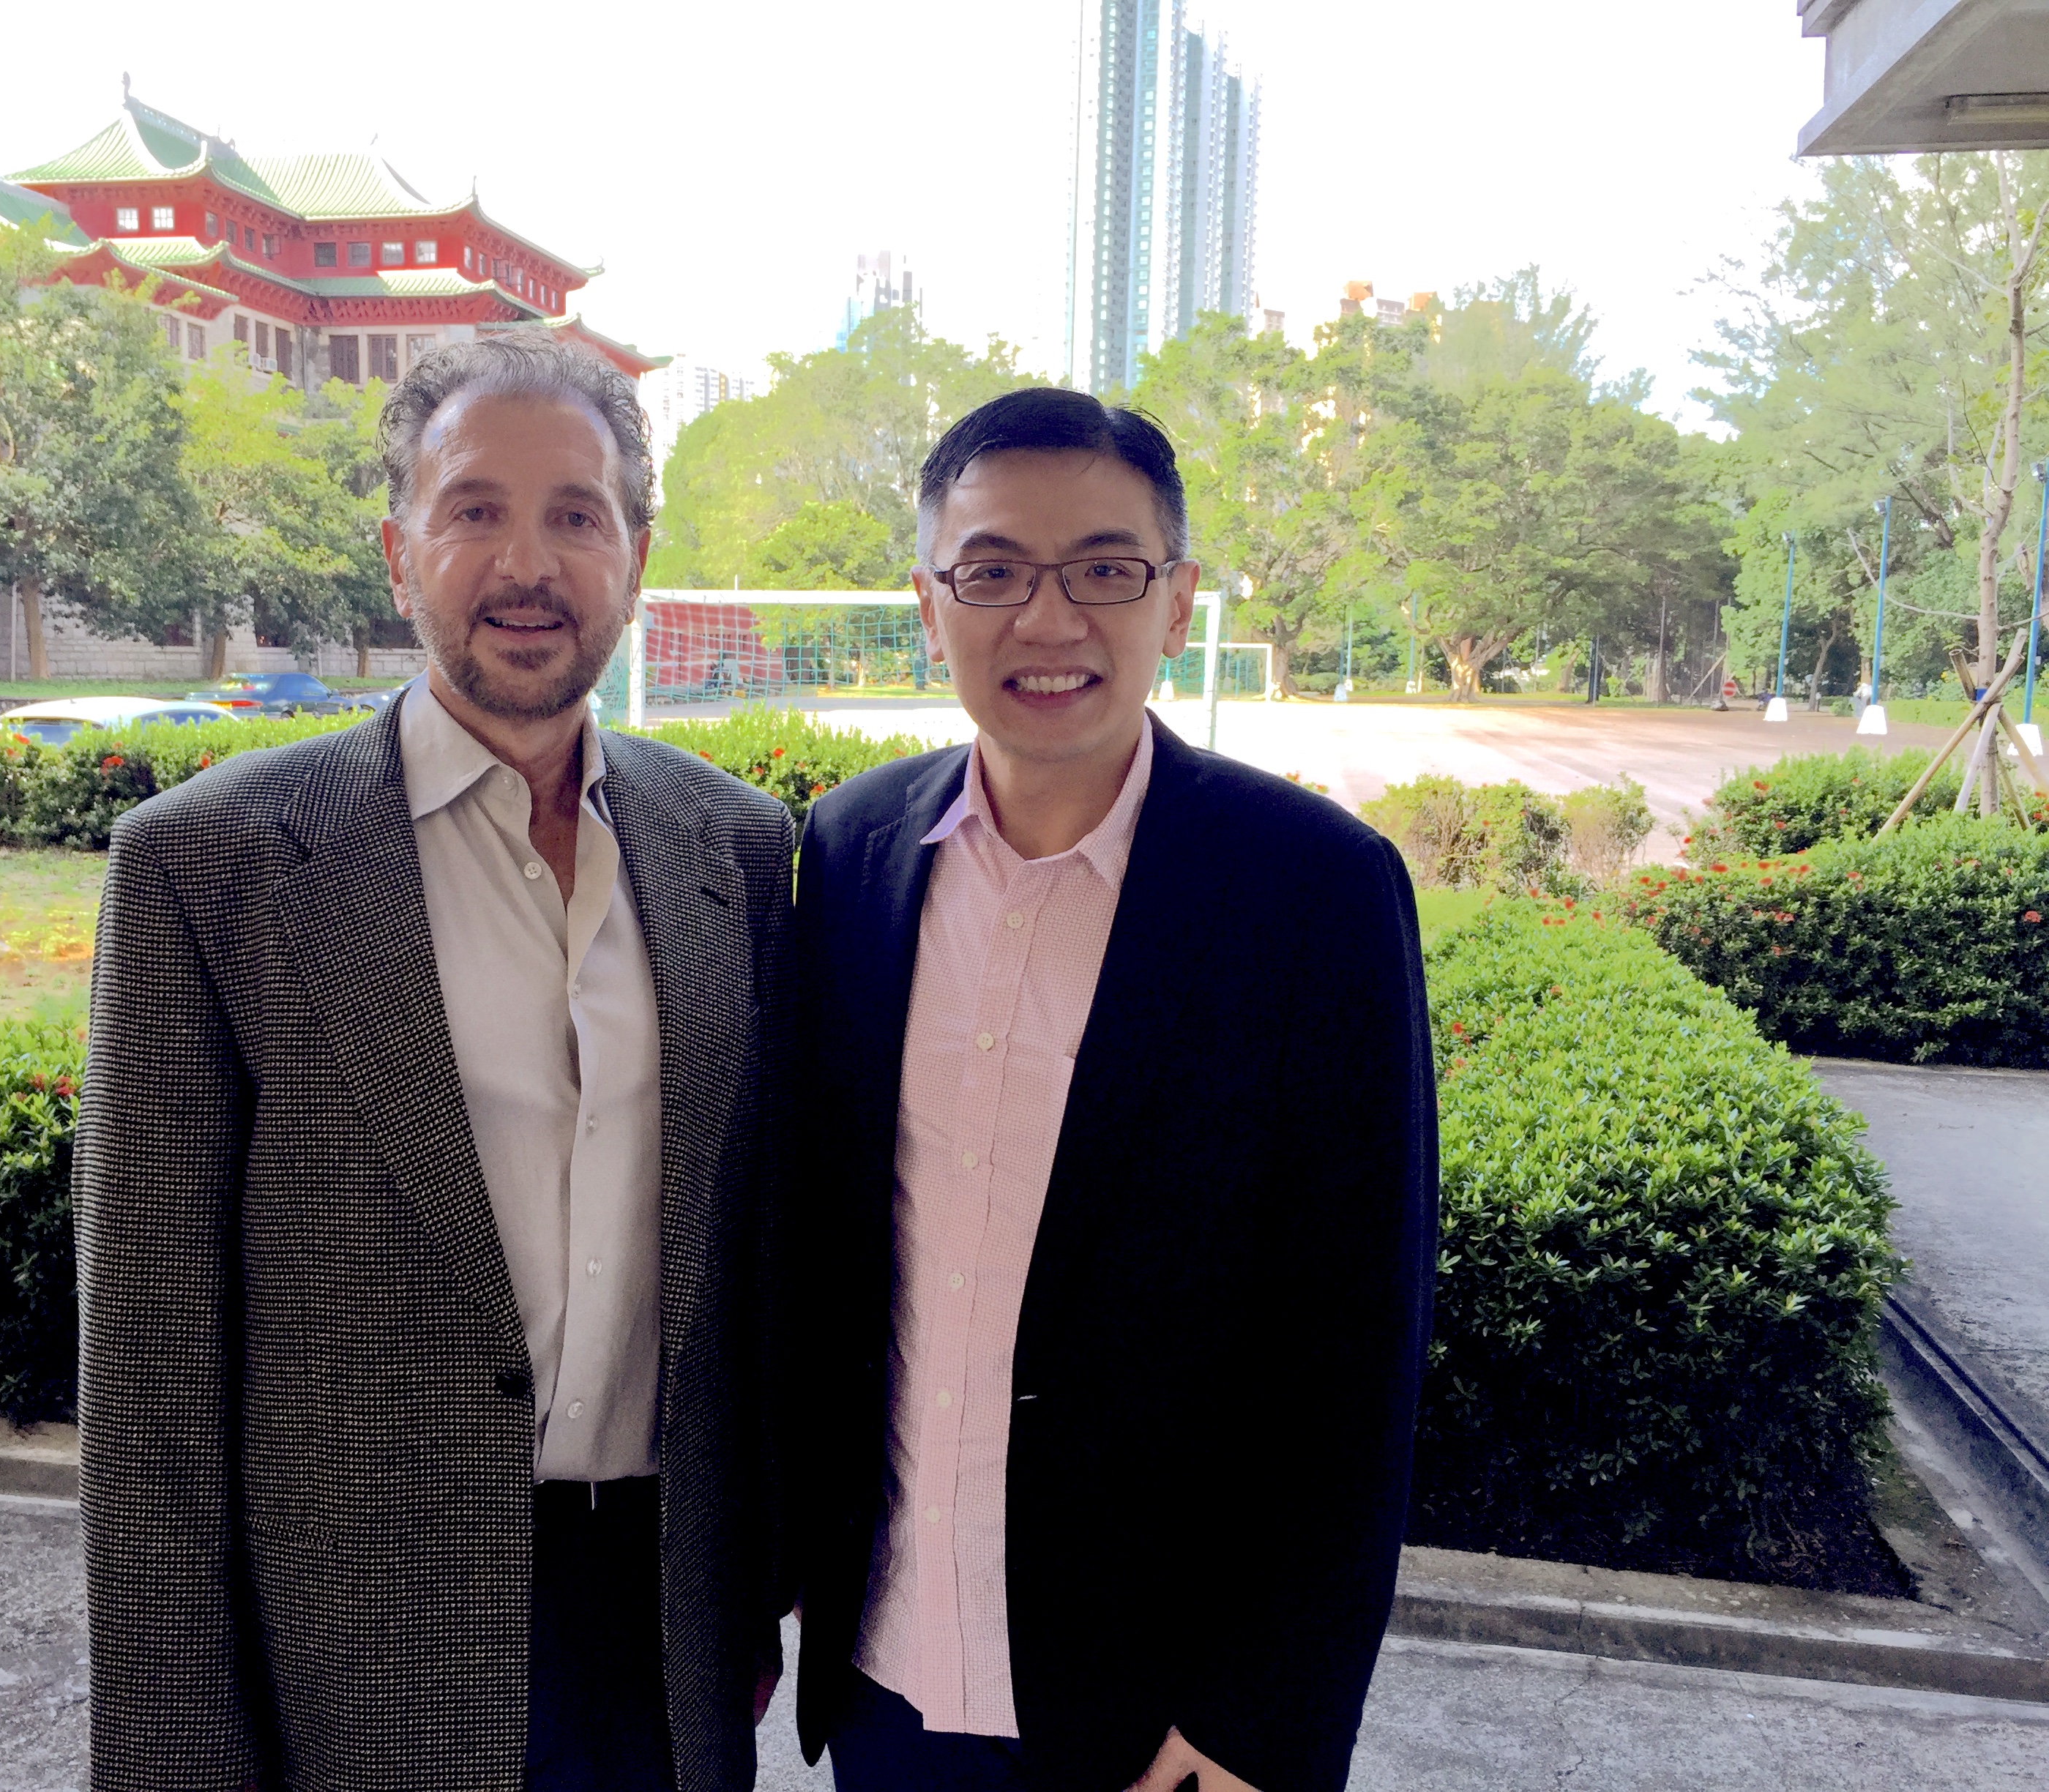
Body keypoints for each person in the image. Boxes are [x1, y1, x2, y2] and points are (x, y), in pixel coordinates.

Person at [77, 335, 796, 1792]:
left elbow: (768, 1264)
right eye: (475, 510)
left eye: (576, 515)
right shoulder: (210, 866)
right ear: (399, 552)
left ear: (636, 556)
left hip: (664, 1630)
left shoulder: (735, 847)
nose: (527, 564)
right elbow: (147, 1372)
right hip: (358, 1642)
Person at [792, 387, 1438, 1792]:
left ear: (1178, 603)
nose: (1048, 620)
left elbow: (1355, 1339)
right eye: (993, 573)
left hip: (1160, 1725)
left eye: (1104, 569)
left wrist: (1257, 1717)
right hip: (892, 1674)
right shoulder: (848, 854)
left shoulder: (1312, 892)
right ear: (929, 607)